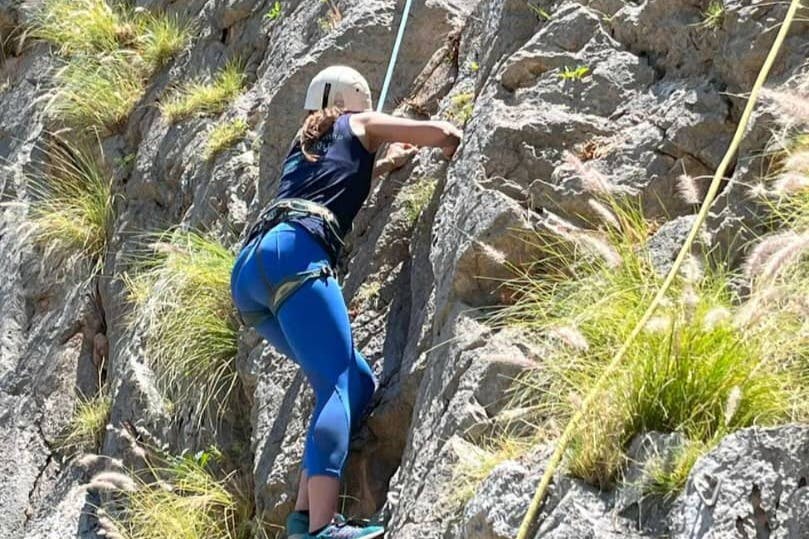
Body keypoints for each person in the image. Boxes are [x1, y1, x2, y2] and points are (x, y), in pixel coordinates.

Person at [230, 65, 462, 539]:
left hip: (251, 272)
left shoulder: (305, 144)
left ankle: (301, 515)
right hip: (296, 254)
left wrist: (381, 165)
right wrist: (454, 136)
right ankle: (320, 529)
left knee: (353, 380)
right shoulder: (359, 122)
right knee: (336, 381)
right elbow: (440, 133)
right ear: (358, 98)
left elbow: (341, 179)